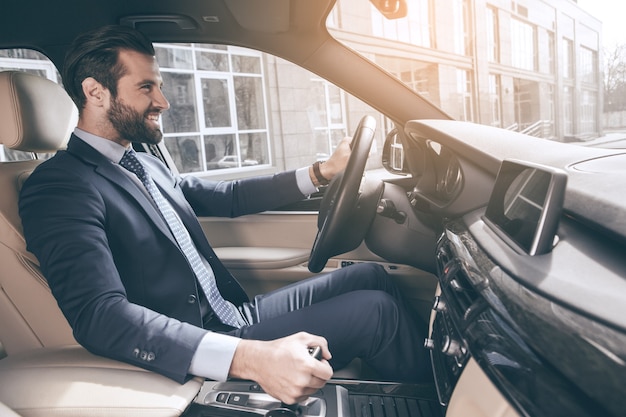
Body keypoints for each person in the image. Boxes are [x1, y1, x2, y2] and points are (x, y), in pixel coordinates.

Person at [18, 25, 430, 404]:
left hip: (233, 311)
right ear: (95, 92)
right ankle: (439, 404)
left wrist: (321, 173)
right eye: (146, 87)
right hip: (207, 337)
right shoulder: (59, 186)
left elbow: (228, 196)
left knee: (372, 275)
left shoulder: (144, 163)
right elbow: (99, 315)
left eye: (158, 86)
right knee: (378, 312)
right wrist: (249, 357)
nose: (162, 101)